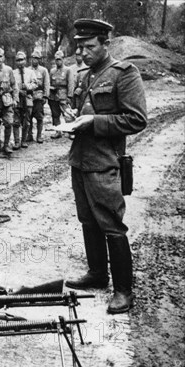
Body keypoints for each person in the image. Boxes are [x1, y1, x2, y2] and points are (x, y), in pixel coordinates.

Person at [64, 19, 147, 314]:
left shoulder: (125, 73)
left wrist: (93, 122)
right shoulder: (88, 75)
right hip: (80, 160)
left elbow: (137, 120)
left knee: (111, 224)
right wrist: (75, 120)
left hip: (104, 163)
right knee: (88, 220)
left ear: (105, 44)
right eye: (79, 46)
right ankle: (98, 274)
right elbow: (86, 111)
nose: (82, 52)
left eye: (89, 46)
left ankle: (124, 290)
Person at [12, 51, 37, 149]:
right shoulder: (13, 73)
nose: (20, 62)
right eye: (18, 60)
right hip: (17, 98)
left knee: (26, 121)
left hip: (28, 98)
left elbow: (35, 84)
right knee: (16, 121)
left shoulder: (30, 72)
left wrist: (27, 86)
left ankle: (24, 140)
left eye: (21, 60)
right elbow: (11, 85)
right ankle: (17, 141)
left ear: (25, 60)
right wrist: (18, 90)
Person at [48, 50, 74, 139]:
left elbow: (71, 84)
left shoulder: (68, 70)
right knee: (55, 115)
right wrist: (51, 88)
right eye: (56, 60)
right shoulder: (52, 71)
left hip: (64, 96)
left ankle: (70, 132)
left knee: (68, 115)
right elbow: (49, 83)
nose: (58, 61)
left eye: (59, 59)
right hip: (54, 96)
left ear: (63, 59)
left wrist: (70, 96)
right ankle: (57, 132)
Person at [28, 50, 50, 144]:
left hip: (39, 97)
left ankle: (39, 136)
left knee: (39, 117)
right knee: (28, 117)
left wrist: (45, 96)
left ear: (40, 59)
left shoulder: (43, 70)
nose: (35, 60)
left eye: (37, 58)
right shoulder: (28, 70)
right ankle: (29, 135)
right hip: (29, 97)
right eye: (33, 58)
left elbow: (46, 84)